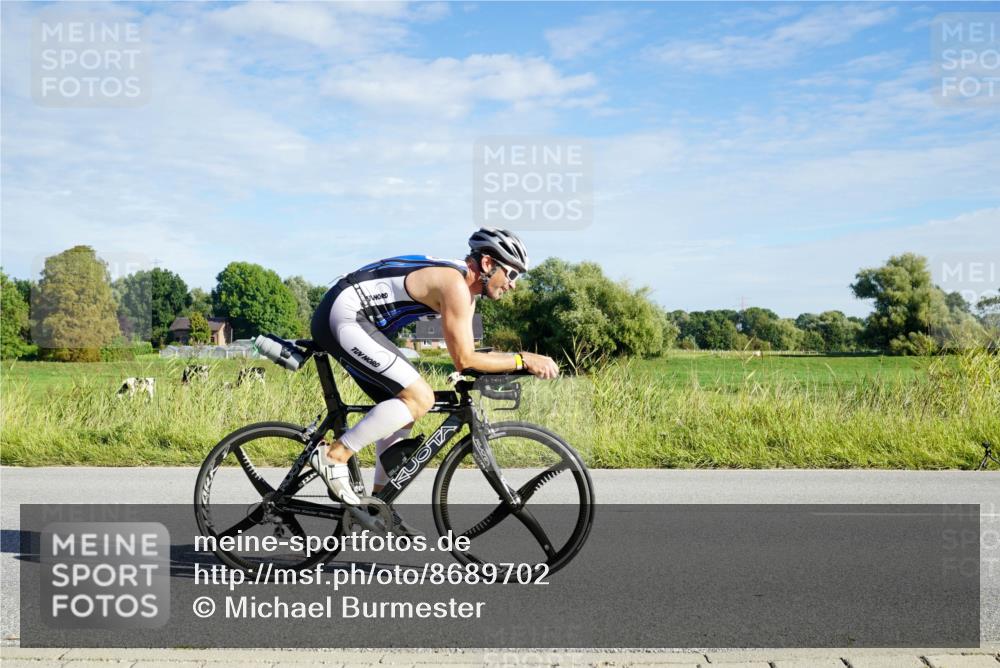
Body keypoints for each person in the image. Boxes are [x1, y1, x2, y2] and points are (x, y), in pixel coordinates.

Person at [308, 228, 559, 516]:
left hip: (357, 318)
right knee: (420, 397)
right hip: (346, 315)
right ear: (488, 264)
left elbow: (470, 356)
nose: (513, 285)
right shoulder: (455, 285)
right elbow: (465, 360)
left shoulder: (461, 287)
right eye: (512, 275)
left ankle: (378, 504)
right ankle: (334, 456)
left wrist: (513, 362)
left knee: (403, 406)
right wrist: (523, 359)